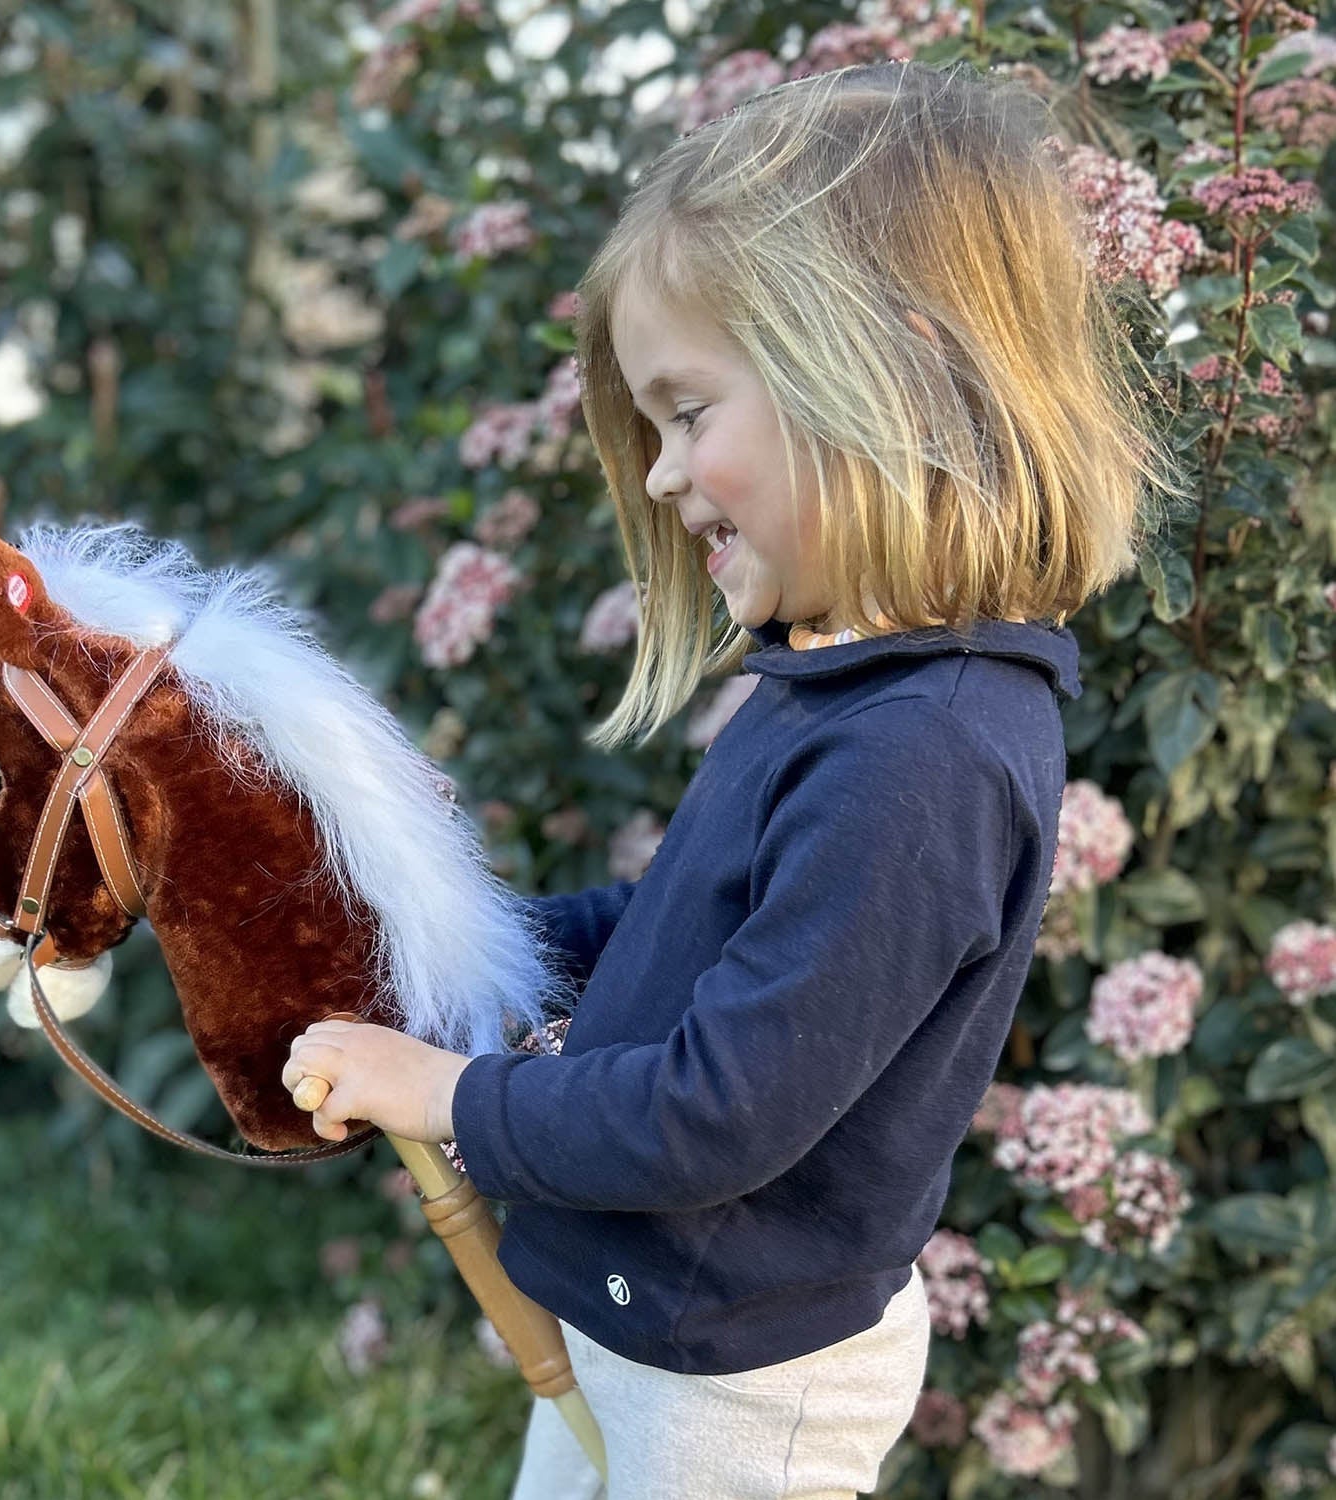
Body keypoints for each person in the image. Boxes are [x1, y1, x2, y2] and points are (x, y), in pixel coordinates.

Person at [281, 57, 1193, 1500]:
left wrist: (448, 1091)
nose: (658, 476)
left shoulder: (925, 752)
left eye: (689, 413)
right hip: (663, 1331)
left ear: (887, 375)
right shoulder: (845, 686)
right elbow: (683, 937)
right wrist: (447, 939)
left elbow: (713, 1112)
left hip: (744, 1390)